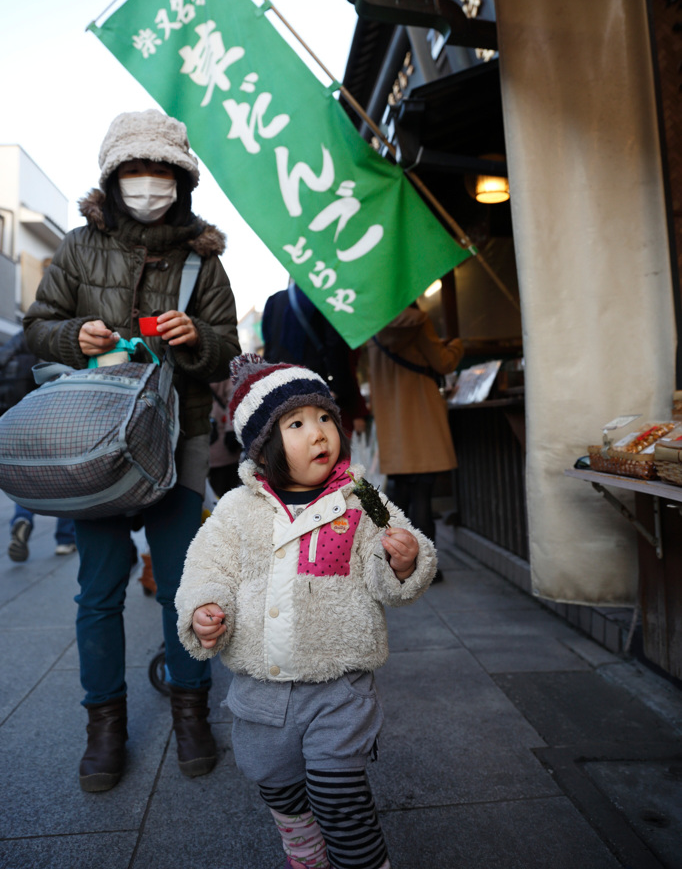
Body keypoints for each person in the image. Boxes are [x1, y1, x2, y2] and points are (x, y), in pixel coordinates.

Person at [23, 109, 241, 792]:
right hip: (97, 442)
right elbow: (36, 328)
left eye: (162, 174)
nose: (149, 186)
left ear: (181, 180)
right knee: (98, 590)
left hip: (179, 438)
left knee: (184, 585)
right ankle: (104, 727)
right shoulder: (79, 247)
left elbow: (228, 348)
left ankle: (192, 713)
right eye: (135, 173)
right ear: (114, 178)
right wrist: (72, 338)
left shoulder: (203, 258)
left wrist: (195, 336)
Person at [175, 353, 437, 869]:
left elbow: (387, 575)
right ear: (265, 445)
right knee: (277, 785)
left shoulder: (360, 501)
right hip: (261, 691)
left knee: (340, 794)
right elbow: (207, 568)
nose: (318, 434)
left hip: (338, 687)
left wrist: (404, 562)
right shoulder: (237, 510)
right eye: (296, 424)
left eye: (324, 420)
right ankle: (302, 845)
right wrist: (206, 607)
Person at [366, 304, 463, 583]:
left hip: (391, 424)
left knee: (401, 498)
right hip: (421, 417)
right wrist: (456, 345)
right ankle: (426, 568)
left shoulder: (372, 327)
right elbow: (443, 362)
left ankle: (396, 564)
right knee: (423, 493)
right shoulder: (419, 322)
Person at [0, 330, 77, 559]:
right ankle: (65, 540)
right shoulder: (60, 334)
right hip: (51, 416)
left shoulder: (21, 337)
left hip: (19, 417)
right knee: (66, 475)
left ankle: (23, 518)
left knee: (27, 476)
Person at [262, 281, 368, 436]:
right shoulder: (324, 297)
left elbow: (269, 353)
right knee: (328, 450)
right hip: (321, 392)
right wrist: (340, 390)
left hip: (283, 394)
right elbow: (335, 346)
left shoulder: (274, 301)